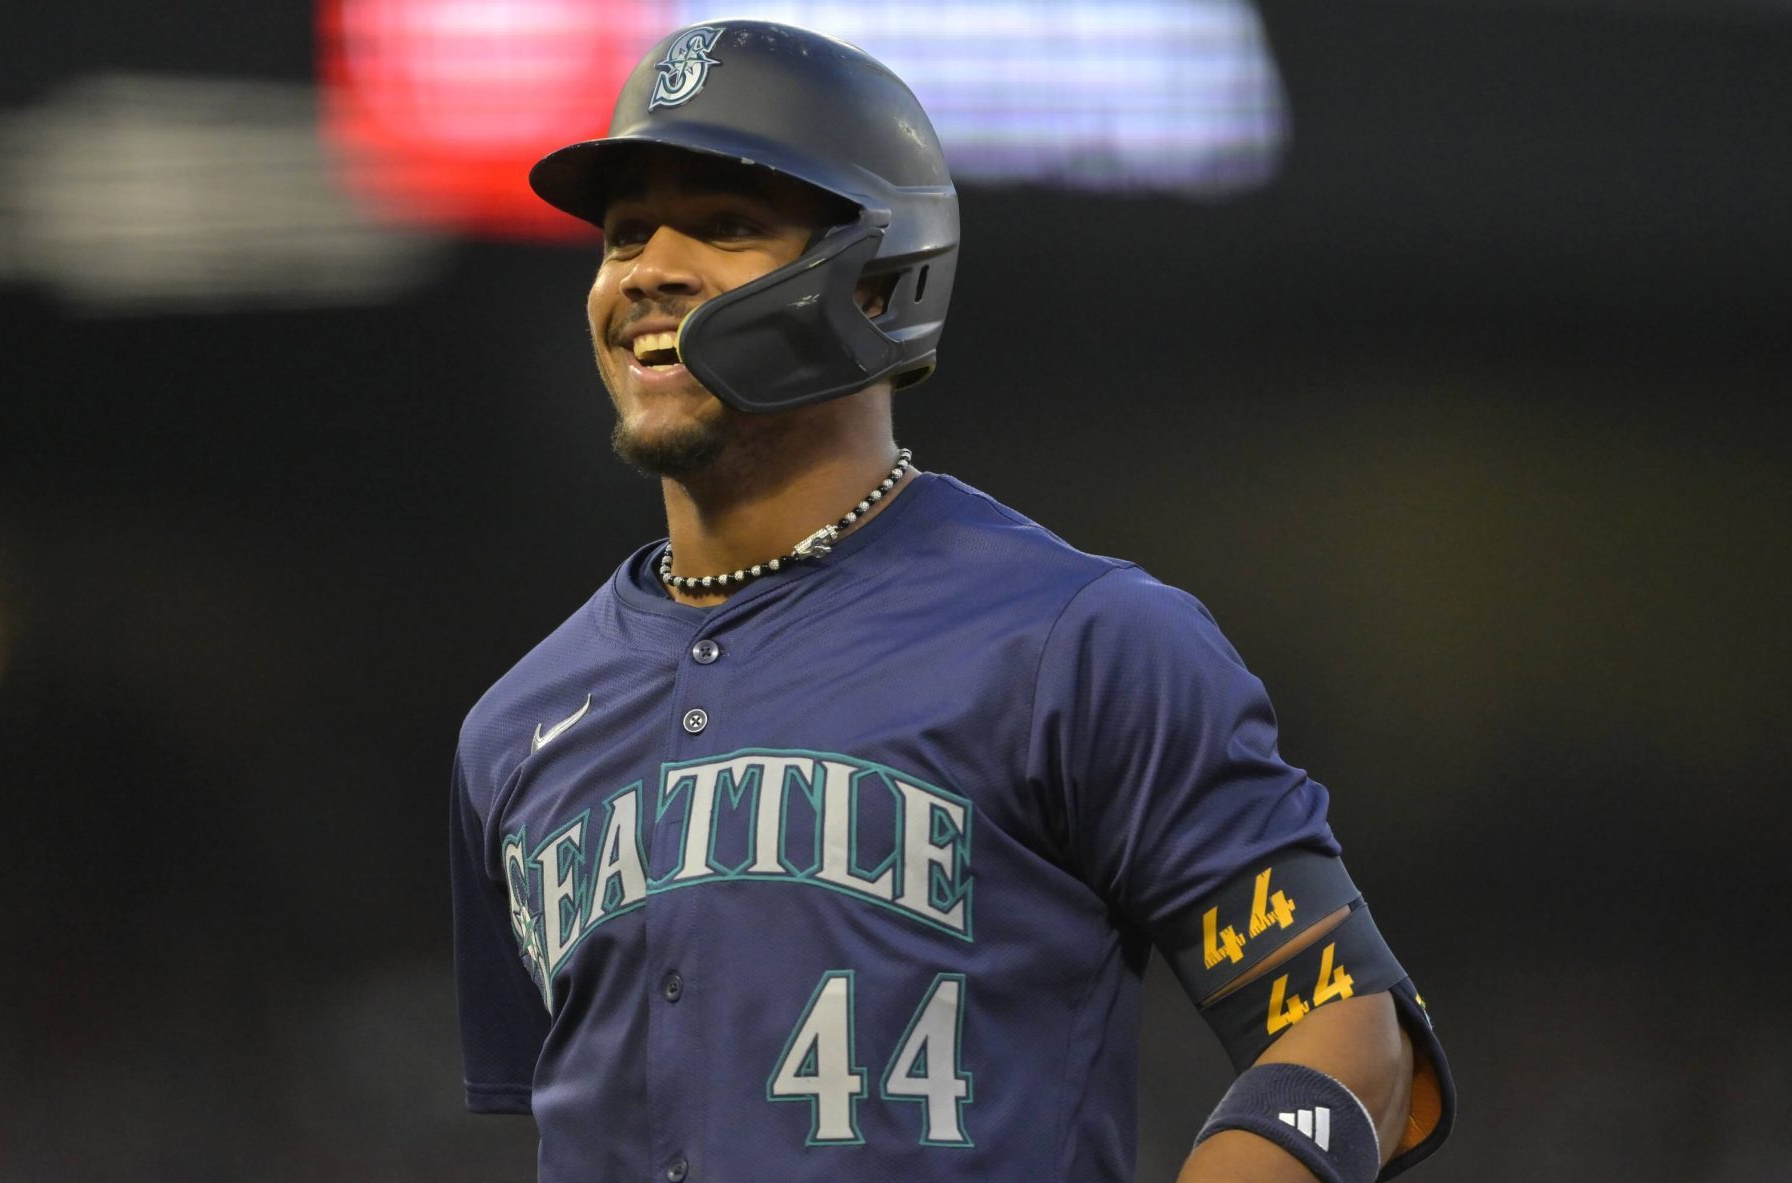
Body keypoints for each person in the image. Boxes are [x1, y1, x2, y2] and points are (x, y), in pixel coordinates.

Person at [451, 19, 1452, 1183]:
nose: (644, 272)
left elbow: (1347, 1036)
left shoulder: (1076, 644)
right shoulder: (513, 728)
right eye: (624, 234)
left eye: (723, 225)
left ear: (879, 277)